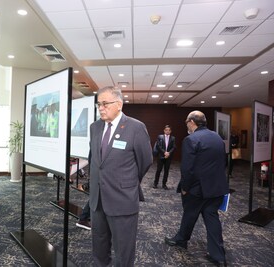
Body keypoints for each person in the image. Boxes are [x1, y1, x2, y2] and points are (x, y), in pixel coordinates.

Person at [89, 86, 153, 266]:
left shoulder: (136, 127)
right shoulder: (95, 127)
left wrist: (128, 182)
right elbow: (94, 159)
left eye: (105, 104)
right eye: (98, 104)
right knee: (99, 248)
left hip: (122, 200)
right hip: (97, 200)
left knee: (123, 252)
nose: (101, 108)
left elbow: (145, 161)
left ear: (119, 104)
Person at [165, 110, 229, 267]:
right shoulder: (217, 138)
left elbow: (187, 169)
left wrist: (185, 188)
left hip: (196, 189)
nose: (186, 124)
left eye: (187, 121)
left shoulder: (191, 139)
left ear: (192, 122)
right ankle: (218, 255)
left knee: (190, 214)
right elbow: (224, 163)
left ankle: (181, 240)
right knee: (212, 218)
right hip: (216, 188)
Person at [153, 125, 176, 189]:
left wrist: (169, 153)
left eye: (169, 130)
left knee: (166, 171)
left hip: (168, 157)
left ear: (170, 131)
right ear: (164, 130)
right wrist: (164, 152)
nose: (167, 131)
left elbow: (174, 147)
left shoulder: (173, 138)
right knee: (158, 170)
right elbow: (158, 146)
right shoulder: (160, 137)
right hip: (161, 156)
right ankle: (155, 183)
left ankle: (164, 184)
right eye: (166, 130)